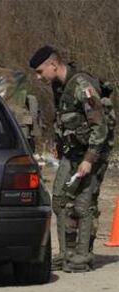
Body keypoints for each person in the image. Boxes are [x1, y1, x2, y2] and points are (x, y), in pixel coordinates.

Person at [29, 46, 115, 272]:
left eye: (40, 71)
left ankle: (83, 256)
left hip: (94, 153)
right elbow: (65, 121)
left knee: (83, 204)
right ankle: (66, 253)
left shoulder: (82, 87)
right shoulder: (60, 87)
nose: (39, 77)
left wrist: (89, 159)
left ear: (53, 65)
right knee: (59, 199)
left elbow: (100, 128)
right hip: (72, 152)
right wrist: (59, 145)